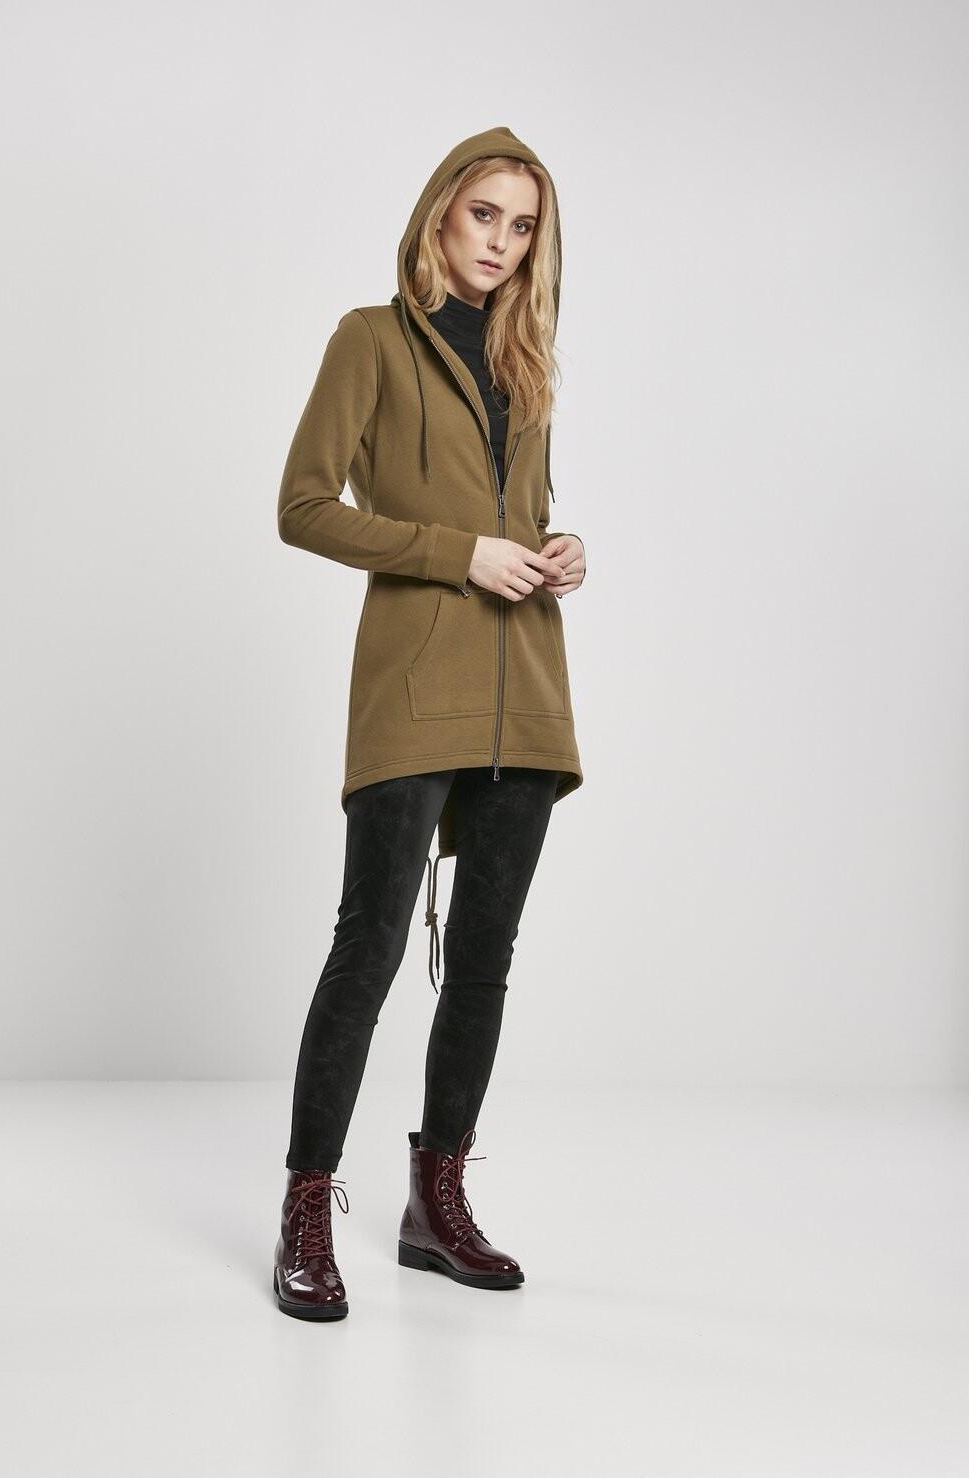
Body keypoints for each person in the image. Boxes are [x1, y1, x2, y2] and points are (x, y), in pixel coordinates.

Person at [272, 125, 587, 1321]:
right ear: (439, 212)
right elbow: (304, 505)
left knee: (485, 959)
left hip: (527, 693)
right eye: (483, 214)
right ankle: (307, 1205)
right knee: (369, 947)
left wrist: (557, 548)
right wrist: (460, 554)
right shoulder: (369, 339)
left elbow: (519, 514)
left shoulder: (526, 364)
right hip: (413, 686)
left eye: (522, 225)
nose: (500, 242)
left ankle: (436, 1200)